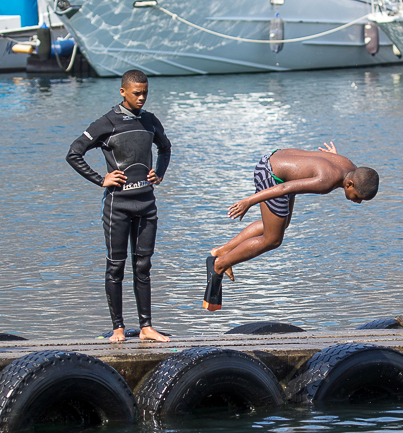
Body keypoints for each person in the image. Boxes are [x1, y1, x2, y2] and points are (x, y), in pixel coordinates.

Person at [204, 142, 379, 311]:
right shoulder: (326, 182)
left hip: (275, 160)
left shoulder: (350, 166)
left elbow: (331, 162)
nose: (358, 201)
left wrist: (333, 156)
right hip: (272, 175)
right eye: (358, 196)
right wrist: (249, 201)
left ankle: (222, 251)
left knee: (280, 225)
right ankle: (219, 264)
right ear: (349, 184)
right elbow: (285, 188)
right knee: (272, 240)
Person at [66, 69, 171, 343]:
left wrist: (158, 173)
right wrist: (102, 179)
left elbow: (166, 147)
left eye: (145, 92)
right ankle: (118, 329)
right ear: (123, 92)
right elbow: (74, 153)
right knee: (116, 266)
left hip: (147, 203)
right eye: (137, 93)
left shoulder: (149, 121)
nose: (142, 98)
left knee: (143, 266)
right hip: (118, 205)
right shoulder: (107, 122)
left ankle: (147, 327)